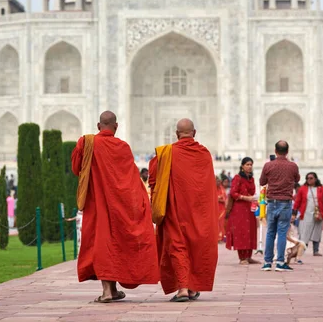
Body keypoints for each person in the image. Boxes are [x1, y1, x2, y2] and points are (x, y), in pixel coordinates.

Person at [71, 111, 159, 302]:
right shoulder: (123, 147)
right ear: (116, 127)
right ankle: (110, 290)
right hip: (120, 205)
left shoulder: (86, 143)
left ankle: (108, 291)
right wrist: (141, 203)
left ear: (98, 126)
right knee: (116, 243)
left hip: (98, 205)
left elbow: (76, 168)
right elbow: (130, 179)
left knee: (103, 243)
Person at [149, 118, 218, 302]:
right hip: (199, 212)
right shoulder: (204, 154)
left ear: (176, 133)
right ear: (194, 133)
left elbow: (153, 179)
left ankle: (182, 289)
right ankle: (192, 287)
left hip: (175, 210)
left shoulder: (166, 153)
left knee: (177, 246)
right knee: (196, 245)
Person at [259, 140, 300, 271]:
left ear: (275, 151)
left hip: (272, 202)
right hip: (285, 203)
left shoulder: (268, 165)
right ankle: (280, 262)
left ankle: (267, 262)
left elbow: (262, 181)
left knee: (270, 232)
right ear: (287, 152)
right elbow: (297, 179)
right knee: (282, 233)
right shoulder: (293, 166)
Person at [225, 157, 259, 264]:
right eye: (247, 165)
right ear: (242, 166)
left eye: (251, 165)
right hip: (239, 209)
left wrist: (254, 200)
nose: (249, 166)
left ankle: (249, 256)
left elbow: (252, 193)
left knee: (251, 231)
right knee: (241, 232)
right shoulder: (237, 178)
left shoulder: (251, 179)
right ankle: (242, 258)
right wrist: (245, 198)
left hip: (250, 208)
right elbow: (233, 193)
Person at [293, 172, 323, 256]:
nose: (309, 180)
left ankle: (316, 250)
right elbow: (297, 201)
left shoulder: (321, 188)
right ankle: (301, 250)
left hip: (318, 213)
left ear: (315, 179)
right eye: (307, 178)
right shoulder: (303, 189)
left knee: (317, 232)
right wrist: (294, 212)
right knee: (304, 232)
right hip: (306, 214)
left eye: (311, 178)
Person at [216, 177, 227, 242]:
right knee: (216, 224)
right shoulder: (212, 189)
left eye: (219, 182)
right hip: (215, 208)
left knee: (221, 223)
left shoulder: (222, 189)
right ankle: (216, 238)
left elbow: (224, 198)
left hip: (222, 209)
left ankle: (221, 237)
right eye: (217, 182)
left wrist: (219, 199)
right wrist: (219, 198)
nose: (218, 183)